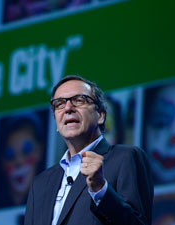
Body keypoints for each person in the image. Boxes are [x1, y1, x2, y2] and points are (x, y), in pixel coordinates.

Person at [25, 75, 154, 225]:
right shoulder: (40, 183)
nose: (68, 108)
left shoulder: (126, 158)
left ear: (100, 115)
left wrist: (101, 190)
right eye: (59, 104)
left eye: (79, 100)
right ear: (56, 122)